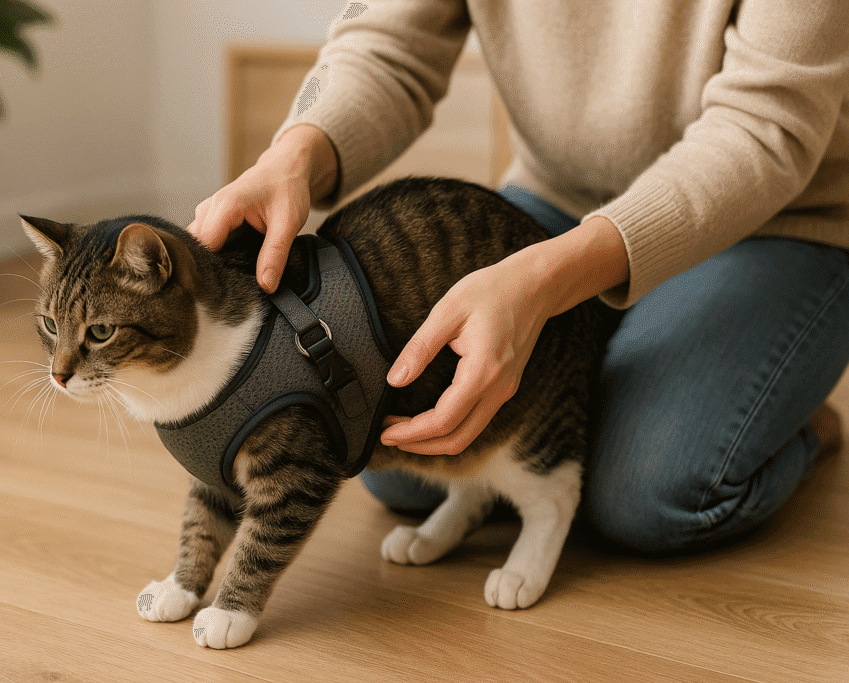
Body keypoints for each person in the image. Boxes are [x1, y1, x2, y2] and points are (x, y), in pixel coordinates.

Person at [188, 0, 849, 553]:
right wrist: (296, 151)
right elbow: (385, 40)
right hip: (558, 199)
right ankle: (631, 360)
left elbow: (766, 128)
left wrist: (544, 281)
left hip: (774, 219)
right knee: (391, 457)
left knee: (646, 491)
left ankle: (797, 414)